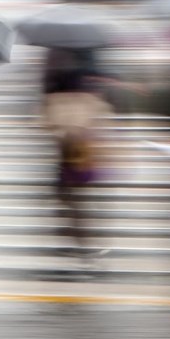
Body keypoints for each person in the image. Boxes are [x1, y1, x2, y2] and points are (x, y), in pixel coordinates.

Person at [41, 47, 112, 260]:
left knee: (71, 190)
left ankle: (82, 239)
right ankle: (80, 237)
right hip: (75, 133)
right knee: (71, 189)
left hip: (70, 134)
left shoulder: (57, 60)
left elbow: (51, 93)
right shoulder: (83, 58)